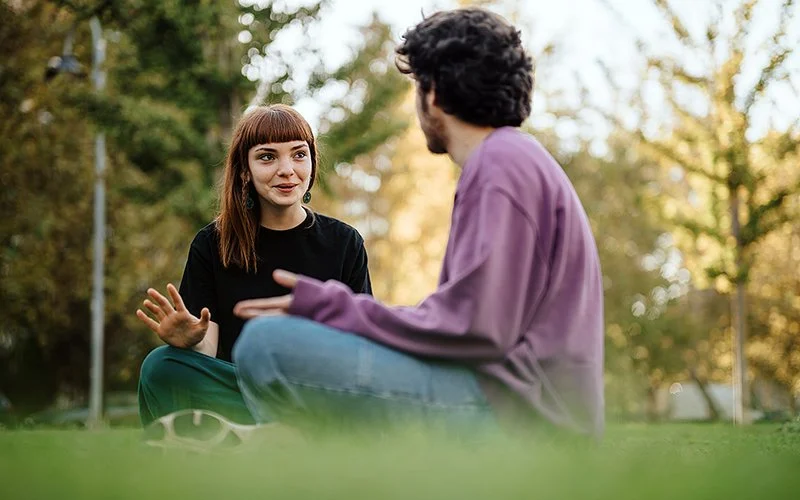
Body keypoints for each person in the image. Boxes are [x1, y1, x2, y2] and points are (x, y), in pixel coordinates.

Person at [230, 7, 605, 440]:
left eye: (417, 87)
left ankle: (292, 458)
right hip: (522, 405)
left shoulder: (500, 164)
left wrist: (334, 308)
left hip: (517, 417)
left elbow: (475, 328)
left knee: (266, 345)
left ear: (433, 94)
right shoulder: (516, 159)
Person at [136, 104, 372, 429]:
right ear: (245, 169)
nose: (287, 169)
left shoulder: (345, 243)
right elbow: (209, 349)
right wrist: (190, 342)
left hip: (317, 395)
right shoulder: (212, 244)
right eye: (267, 157)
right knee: (160, 366)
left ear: (313, 163)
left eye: (299, 155)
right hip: (242, 394)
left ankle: (281, 435)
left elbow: (361, 347)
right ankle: (265, 437)